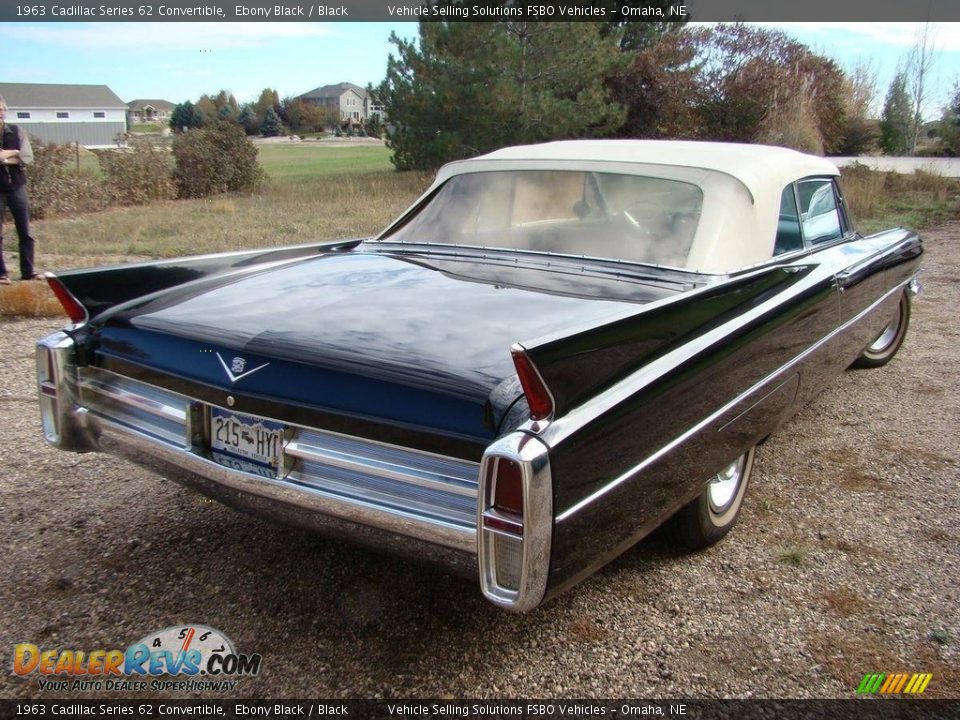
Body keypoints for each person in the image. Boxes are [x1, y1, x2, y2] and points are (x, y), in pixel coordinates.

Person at [0, 94, 39, 284]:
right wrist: (13, 154)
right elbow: (18, 156)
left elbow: (27, 156)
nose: (0, 114)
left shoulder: (16, 131)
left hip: (17, 187)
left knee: (25, 232)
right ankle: (1, 274)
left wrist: (6, 156)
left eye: (2, 110)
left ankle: (28, 272)